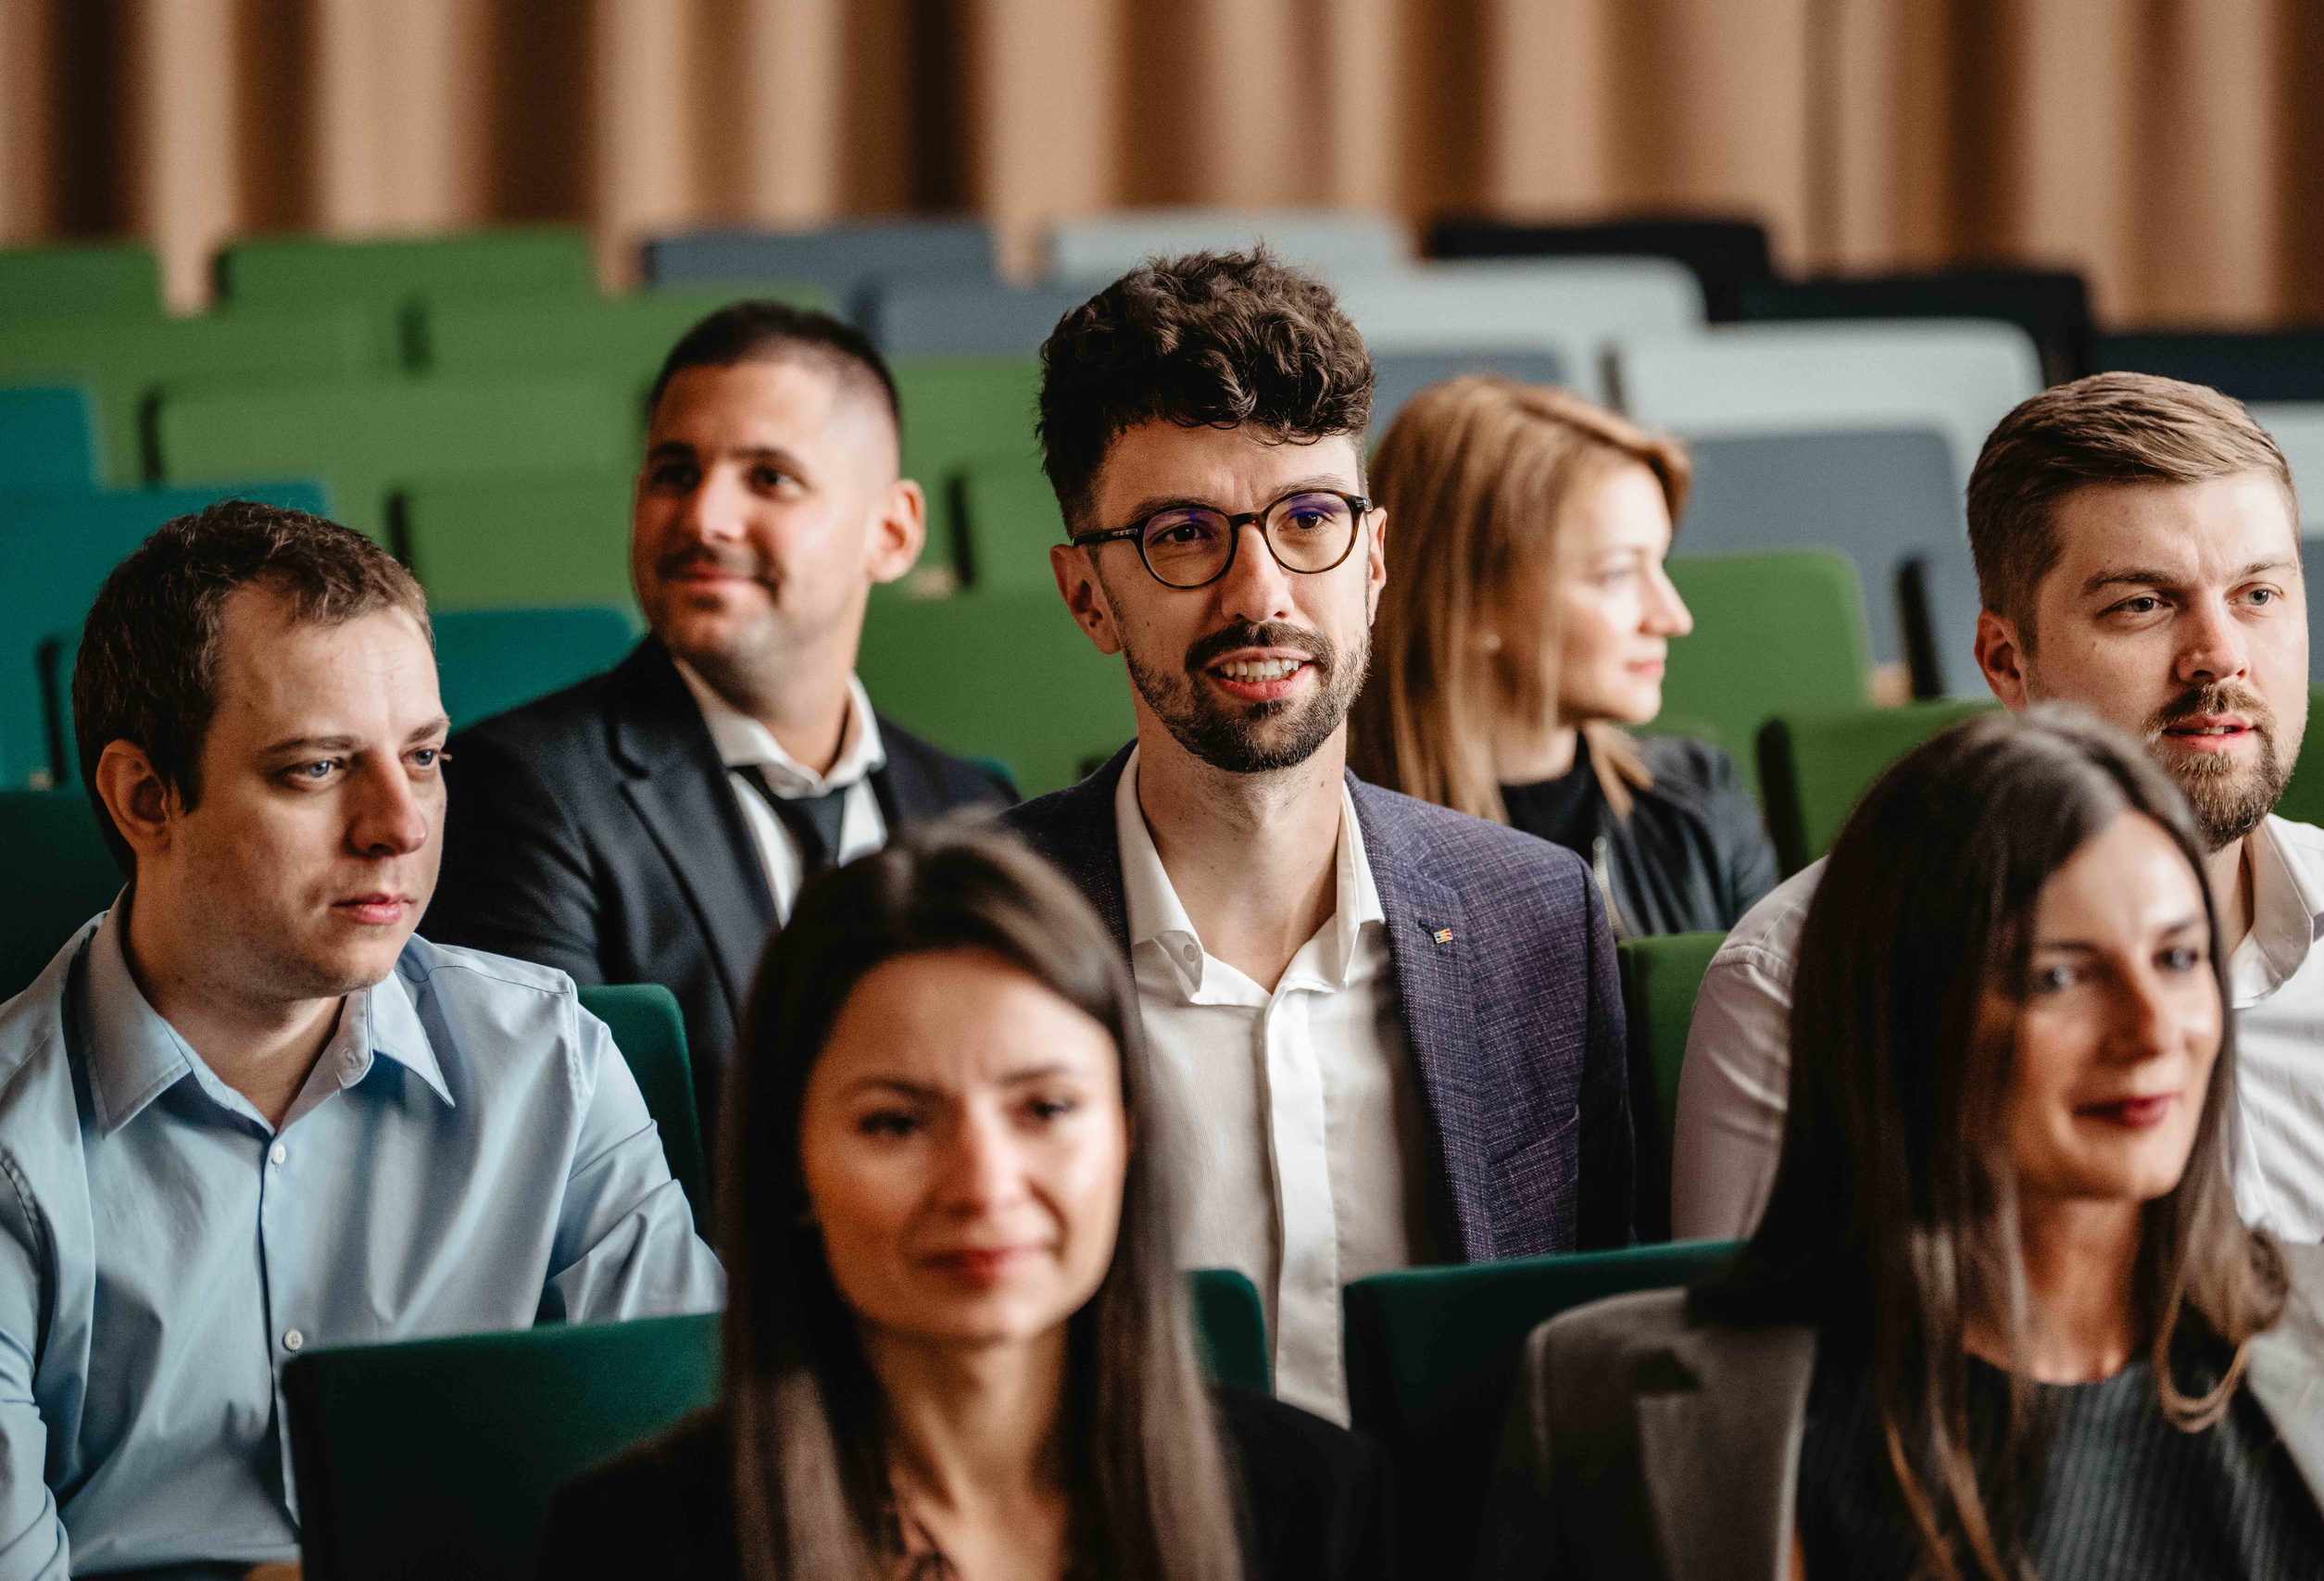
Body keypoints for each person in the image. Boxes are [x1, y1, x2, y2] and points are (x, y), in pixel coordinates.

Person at [0, 502, 721, 1578]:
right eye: (319, 769)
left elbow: (706, 1498)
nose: (401, 824)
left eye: (423, 756)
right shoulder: (14, 1147)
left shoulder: (553, 1064)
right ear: (146, 798)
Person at [1484, 708, 2324, 1581]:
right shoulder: (1609, 1403)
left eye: (2178, 960)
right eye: (2060, 975)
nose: (2153, 1031)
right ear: (1908, 1018)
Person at [1008, 250, 1632, 1424]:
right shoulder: (960, 939)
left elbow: (1597, 1378)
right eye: (1183, 534)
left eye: (1308, 519)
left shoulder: (1540, 918)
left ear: (1376, 559)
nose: (1260, 594)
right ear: (1087, 596)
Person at [534, 825, 1393, 1581]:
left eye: (1046, 1108)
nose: (983, 1184)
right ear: (792, 1161)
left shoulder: (1321, 1506)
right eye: (896, 1123)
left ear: (1128, 1136)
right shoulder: (630, 1544)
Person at [1675, 371, 2324, 1244]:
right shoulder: (1805, 980)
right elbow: (1764, 1370)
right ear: (2006, 662)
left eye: (2258, 595)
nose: (2219, 655)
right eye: (2143, 604)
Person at [424, 300, 1017, 1132]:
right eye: (674, 473)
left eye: (770, 477)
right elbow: (555, 1161)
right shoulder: (518, 789)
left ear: (892, 531)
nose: (703, 518)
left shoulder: (978, 810)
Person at [1350, 375, 1777, 937]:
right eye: (1617, 574)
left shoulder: (1700, 798)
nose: (1673, 617)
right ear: (1472, 599)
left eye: (1661, 564)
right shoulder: (1337, 848)